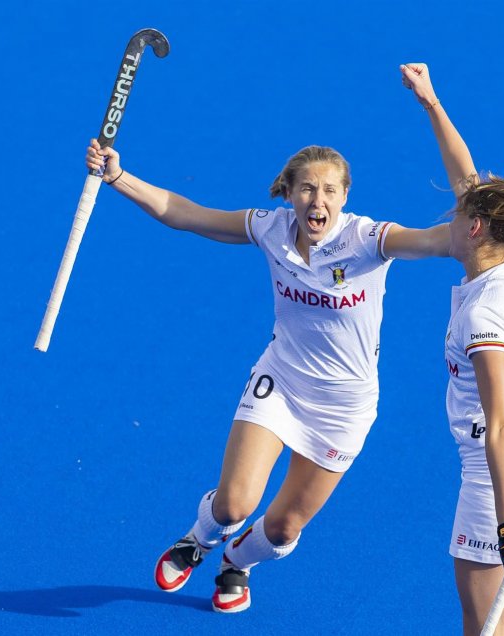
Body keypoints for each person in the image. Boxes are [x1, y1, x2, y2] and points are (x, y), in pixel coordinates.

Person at [85, 135, 449, 613]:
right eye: (307, 189)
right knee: (233, 505)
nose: (318, 201)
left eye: (330, 191)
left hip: (345, 408)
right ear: (290, 192)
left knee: (282, 528)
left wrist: (478, 219)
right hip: (281, 382)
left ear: (345, 196)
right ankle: (199, 539)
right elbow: (186, 213)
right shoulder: (270, 229)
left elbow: (438, 240)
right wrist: (117, 177)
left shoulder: (368, 241)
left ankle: (238, 562)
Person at [401, 62, 504, 636]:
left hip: (498, 480)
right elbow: (467, 178)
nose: (454, 207)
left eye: (461, 211)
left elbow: (495, 425)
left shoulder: (484, 312)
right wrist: (431, 102)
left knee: (484, 629)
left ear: (475, 229)